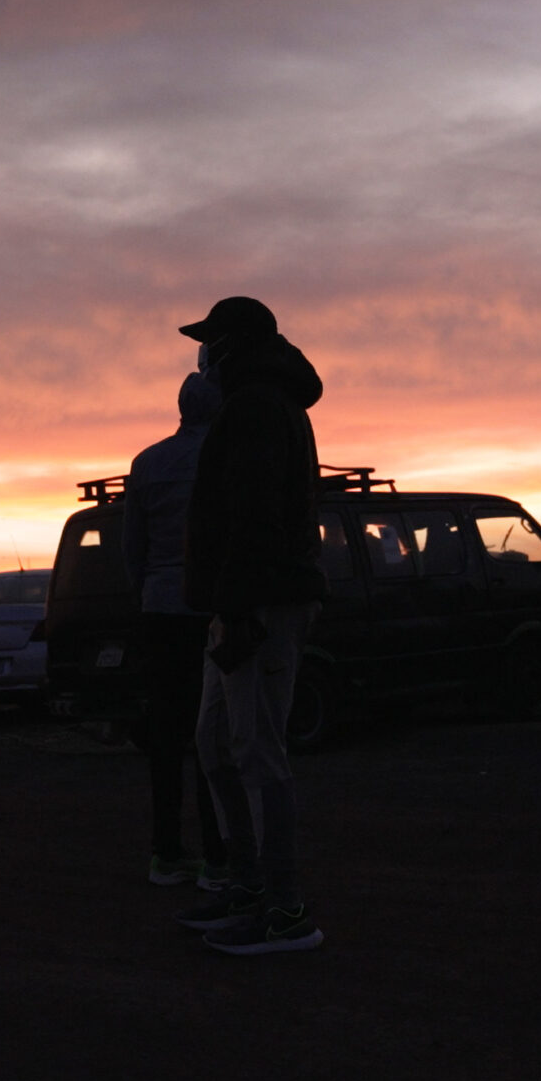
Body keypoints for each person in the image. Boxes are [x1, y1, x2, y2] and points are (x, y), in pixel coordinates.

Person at [171, 296, 329, 954]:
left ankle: (286, 910)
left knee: (258, 752)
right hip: (237, 604)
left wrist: (237, 612)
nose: (201, 355)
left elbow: (254, 517)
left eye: (209, 341)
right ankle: (247, 884)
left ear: (231, 343)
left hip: (259, 606)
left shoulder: (259, 406)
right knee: (215, 743)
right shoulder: (251, 404)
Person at [120, 369, 229, 887]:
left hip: (159, 610)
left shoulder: (147, 463)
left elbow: (132, 551)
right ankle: (218, 856)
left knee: (167, 736)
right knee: (216, 736)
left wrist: (146, 595)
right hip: (211, 609)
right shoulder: (227, 458)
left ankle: (166, 854)